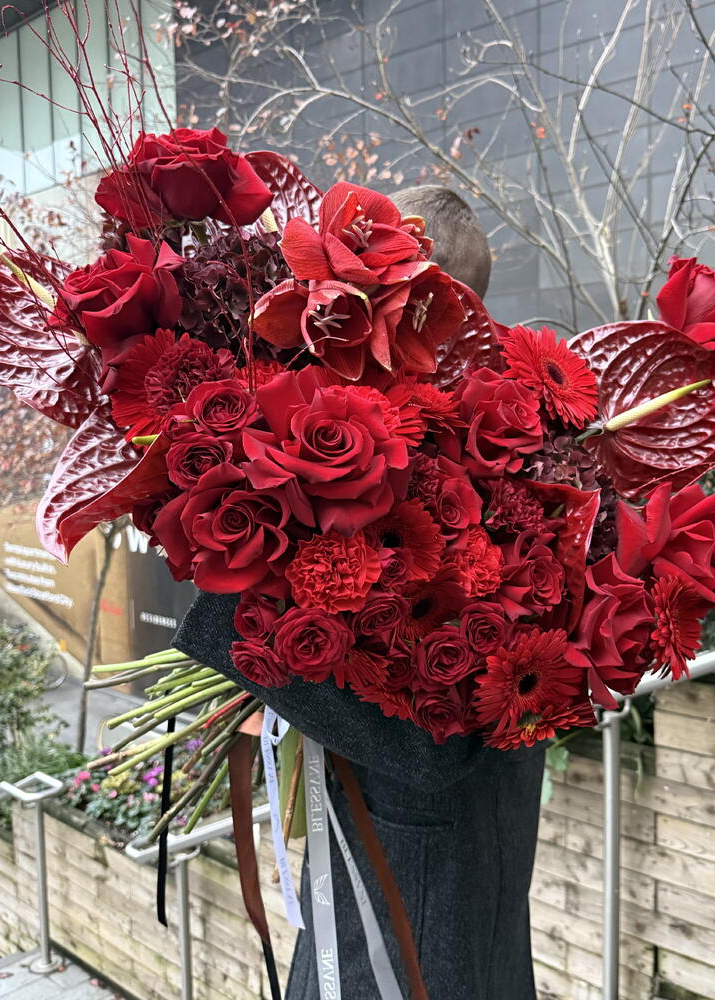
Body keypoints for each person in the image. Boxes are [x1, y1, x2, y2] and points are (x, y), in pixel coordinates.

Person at [173, 188, 544, 1000]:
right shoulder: (503, 442)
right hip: (433, 889)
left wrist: (242, 621)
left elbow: (432, 741)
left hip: (421, 915)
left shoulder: (494, 461)